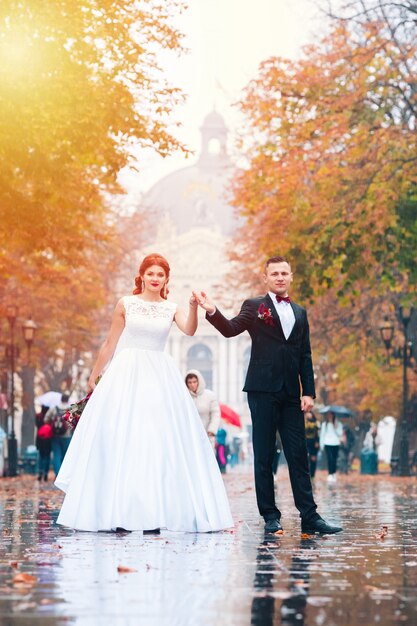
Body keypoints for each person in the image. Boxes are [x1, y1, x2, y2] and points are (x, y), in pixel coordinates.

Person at [54, 253, 233, 533]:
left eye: (160, 274)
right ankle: (117, 510)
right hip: (125, 374)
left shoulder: (170, 307)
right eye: (150, 273)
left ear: (166, 279)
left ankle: (153, 512)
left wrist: (193, 307)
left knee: (154, 440)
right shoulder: (126, 304)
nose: (155, 278)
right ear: (142, 276)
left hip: (159, 376)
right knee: (120, 437)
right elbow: (110, 343)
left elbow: (188, 330)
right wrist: (94, 375)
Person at [193, 256, 342, 535]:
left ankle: (310, 516)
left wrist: (308, 391)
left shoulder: (300, 312)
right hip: (261, 391)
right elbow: (230, 329)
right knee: (264, 455)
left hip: (290, 395)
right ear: (266, 278)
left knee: (298, 455)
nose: (280, 277)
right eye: (274, 273)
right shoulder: (254, 306)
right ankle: (270, 516)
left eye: (284, 273)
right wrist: (212, 310)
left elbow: (305, 354)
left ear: (291, 276)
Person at [185, 370, 220, 445]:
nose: (192, 385)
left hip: (207, 436)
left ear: (199, 381)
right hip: (189, 436)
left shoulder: (210, 395)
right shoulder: (184, 398)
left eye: (194, 381)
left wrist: (212, 430)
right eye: (190, 382)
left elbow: (216, 414)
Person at [45, 393, 72, 476]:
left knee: (56, 455)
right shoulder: (70, 409)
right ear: (67, 400)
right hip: (66, 436)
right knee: (65, 455)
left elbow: (46, 419)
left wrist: (52, 423)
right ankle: (64, 475)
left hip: (55, 435)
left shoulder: (54, 408)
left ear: (61, 399)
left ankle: (57, 474)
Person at [319, 411, 343, 482]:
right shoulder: (324, 424)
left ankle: (334, 473)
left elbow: (340, 434)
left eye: (331, 415)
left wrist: (335, 427)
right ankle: (330, 474)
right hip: (327, 443)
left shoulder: (338, 424)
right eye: (328, 415)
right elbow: (322, 435)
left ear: (333, 415)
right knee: (330, 459)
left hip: (336, 443)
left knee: (334, 459)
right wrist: (321, 445)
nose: (329, 416)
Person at [304, 411, 320, 478]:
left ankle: (312, 474)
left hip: (313, 442)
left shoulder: (316, 423)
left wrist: (317, 441)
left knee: (313, 459)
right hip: (305, 442)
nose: (308, 414)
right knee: (306, 458)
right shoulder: (304, 422)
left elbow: (317, 433)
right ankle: (306, 473)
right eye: (306, 413)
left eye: (309, 413)